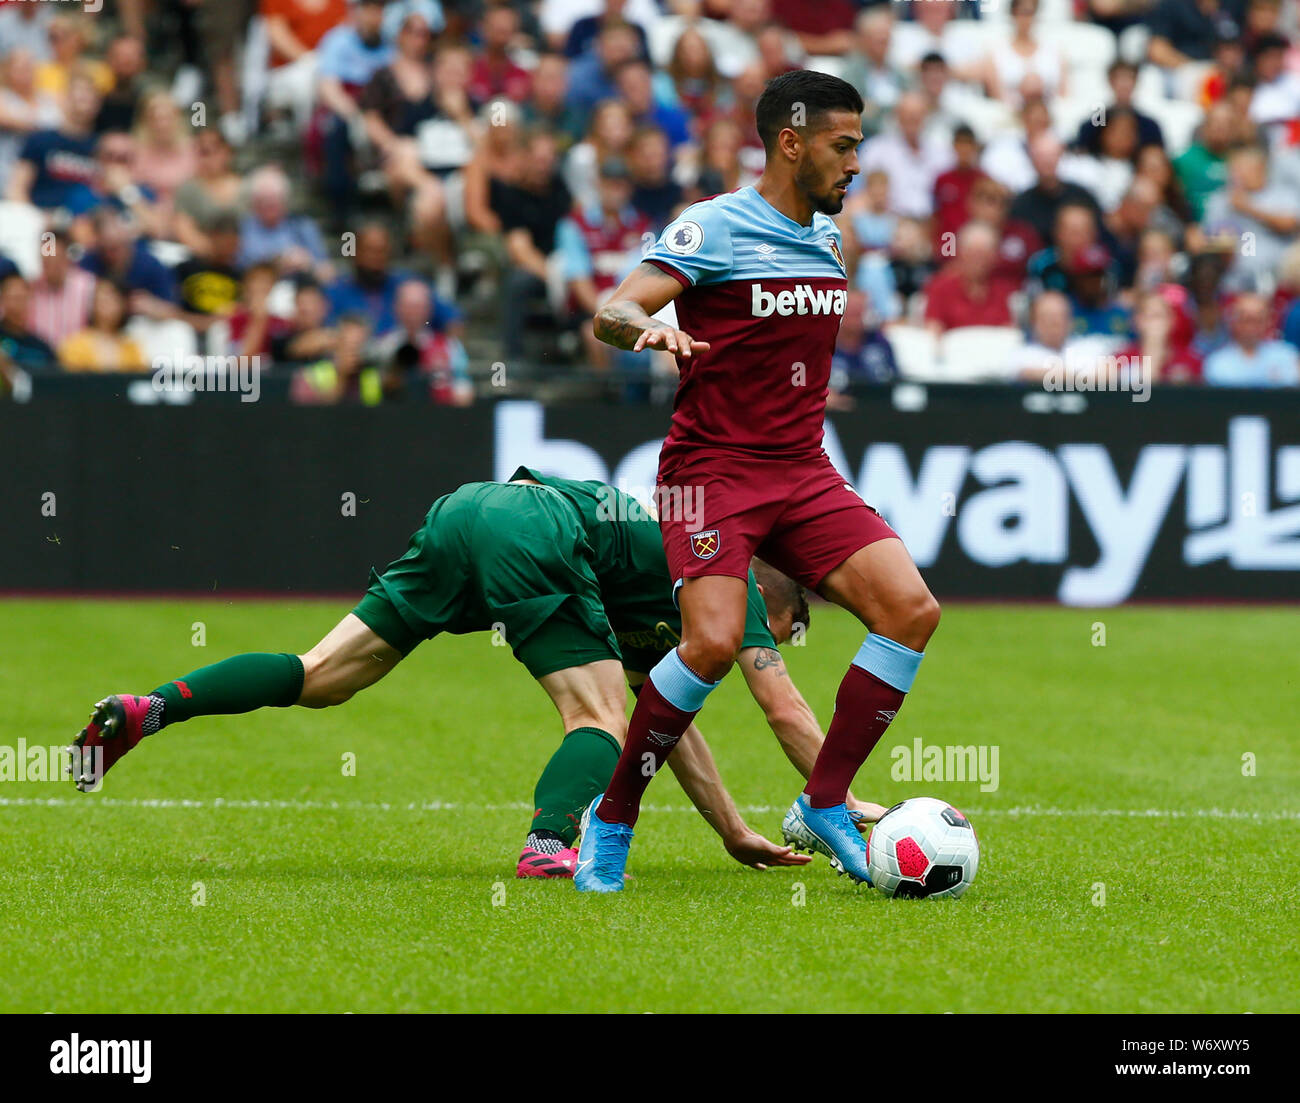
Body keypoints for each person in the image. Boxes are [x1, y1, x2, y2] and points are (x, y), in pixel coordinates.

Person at [70, 472, 883, 879]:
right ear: (777, 591)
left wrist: (734, 831)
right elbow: (784, 708)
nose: (785, 634)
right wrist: (845, 799)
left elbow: (667, 725)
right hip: (538, 531)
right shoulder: (731, 577)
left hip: (468, 511)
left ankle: (153, 707)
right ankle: (548, 842)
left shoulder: (672, 597)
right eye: (795, 622)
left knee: (321, 675)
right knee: (594, 720)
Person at [581, 69, 941, 892]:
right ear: (792, 141)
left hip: (802, 468)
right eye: (843, 146)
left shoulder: (826, 237)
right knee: (708, 644)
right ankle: (615, 814)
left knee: (911, 610)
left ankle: (824, 800)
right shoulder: (713, 227)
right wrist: (647, 331)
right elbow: (615, 307)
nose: (856, 163)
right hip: (713, 472)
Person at [1203, 291, 1300, 385]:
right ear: (1233, 321)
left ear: (1268, 321)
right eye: (1245, 319)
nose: (1251, 326)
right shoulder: (1217, 363)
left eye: (1257, 319)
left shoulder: (1288, 357)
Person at [56, 278, 147, 372]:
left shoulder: (131, 348)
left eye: (112, 298)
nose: (105, 303)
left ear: (123, 305)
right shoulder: (75, 345)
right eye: (101, 298)